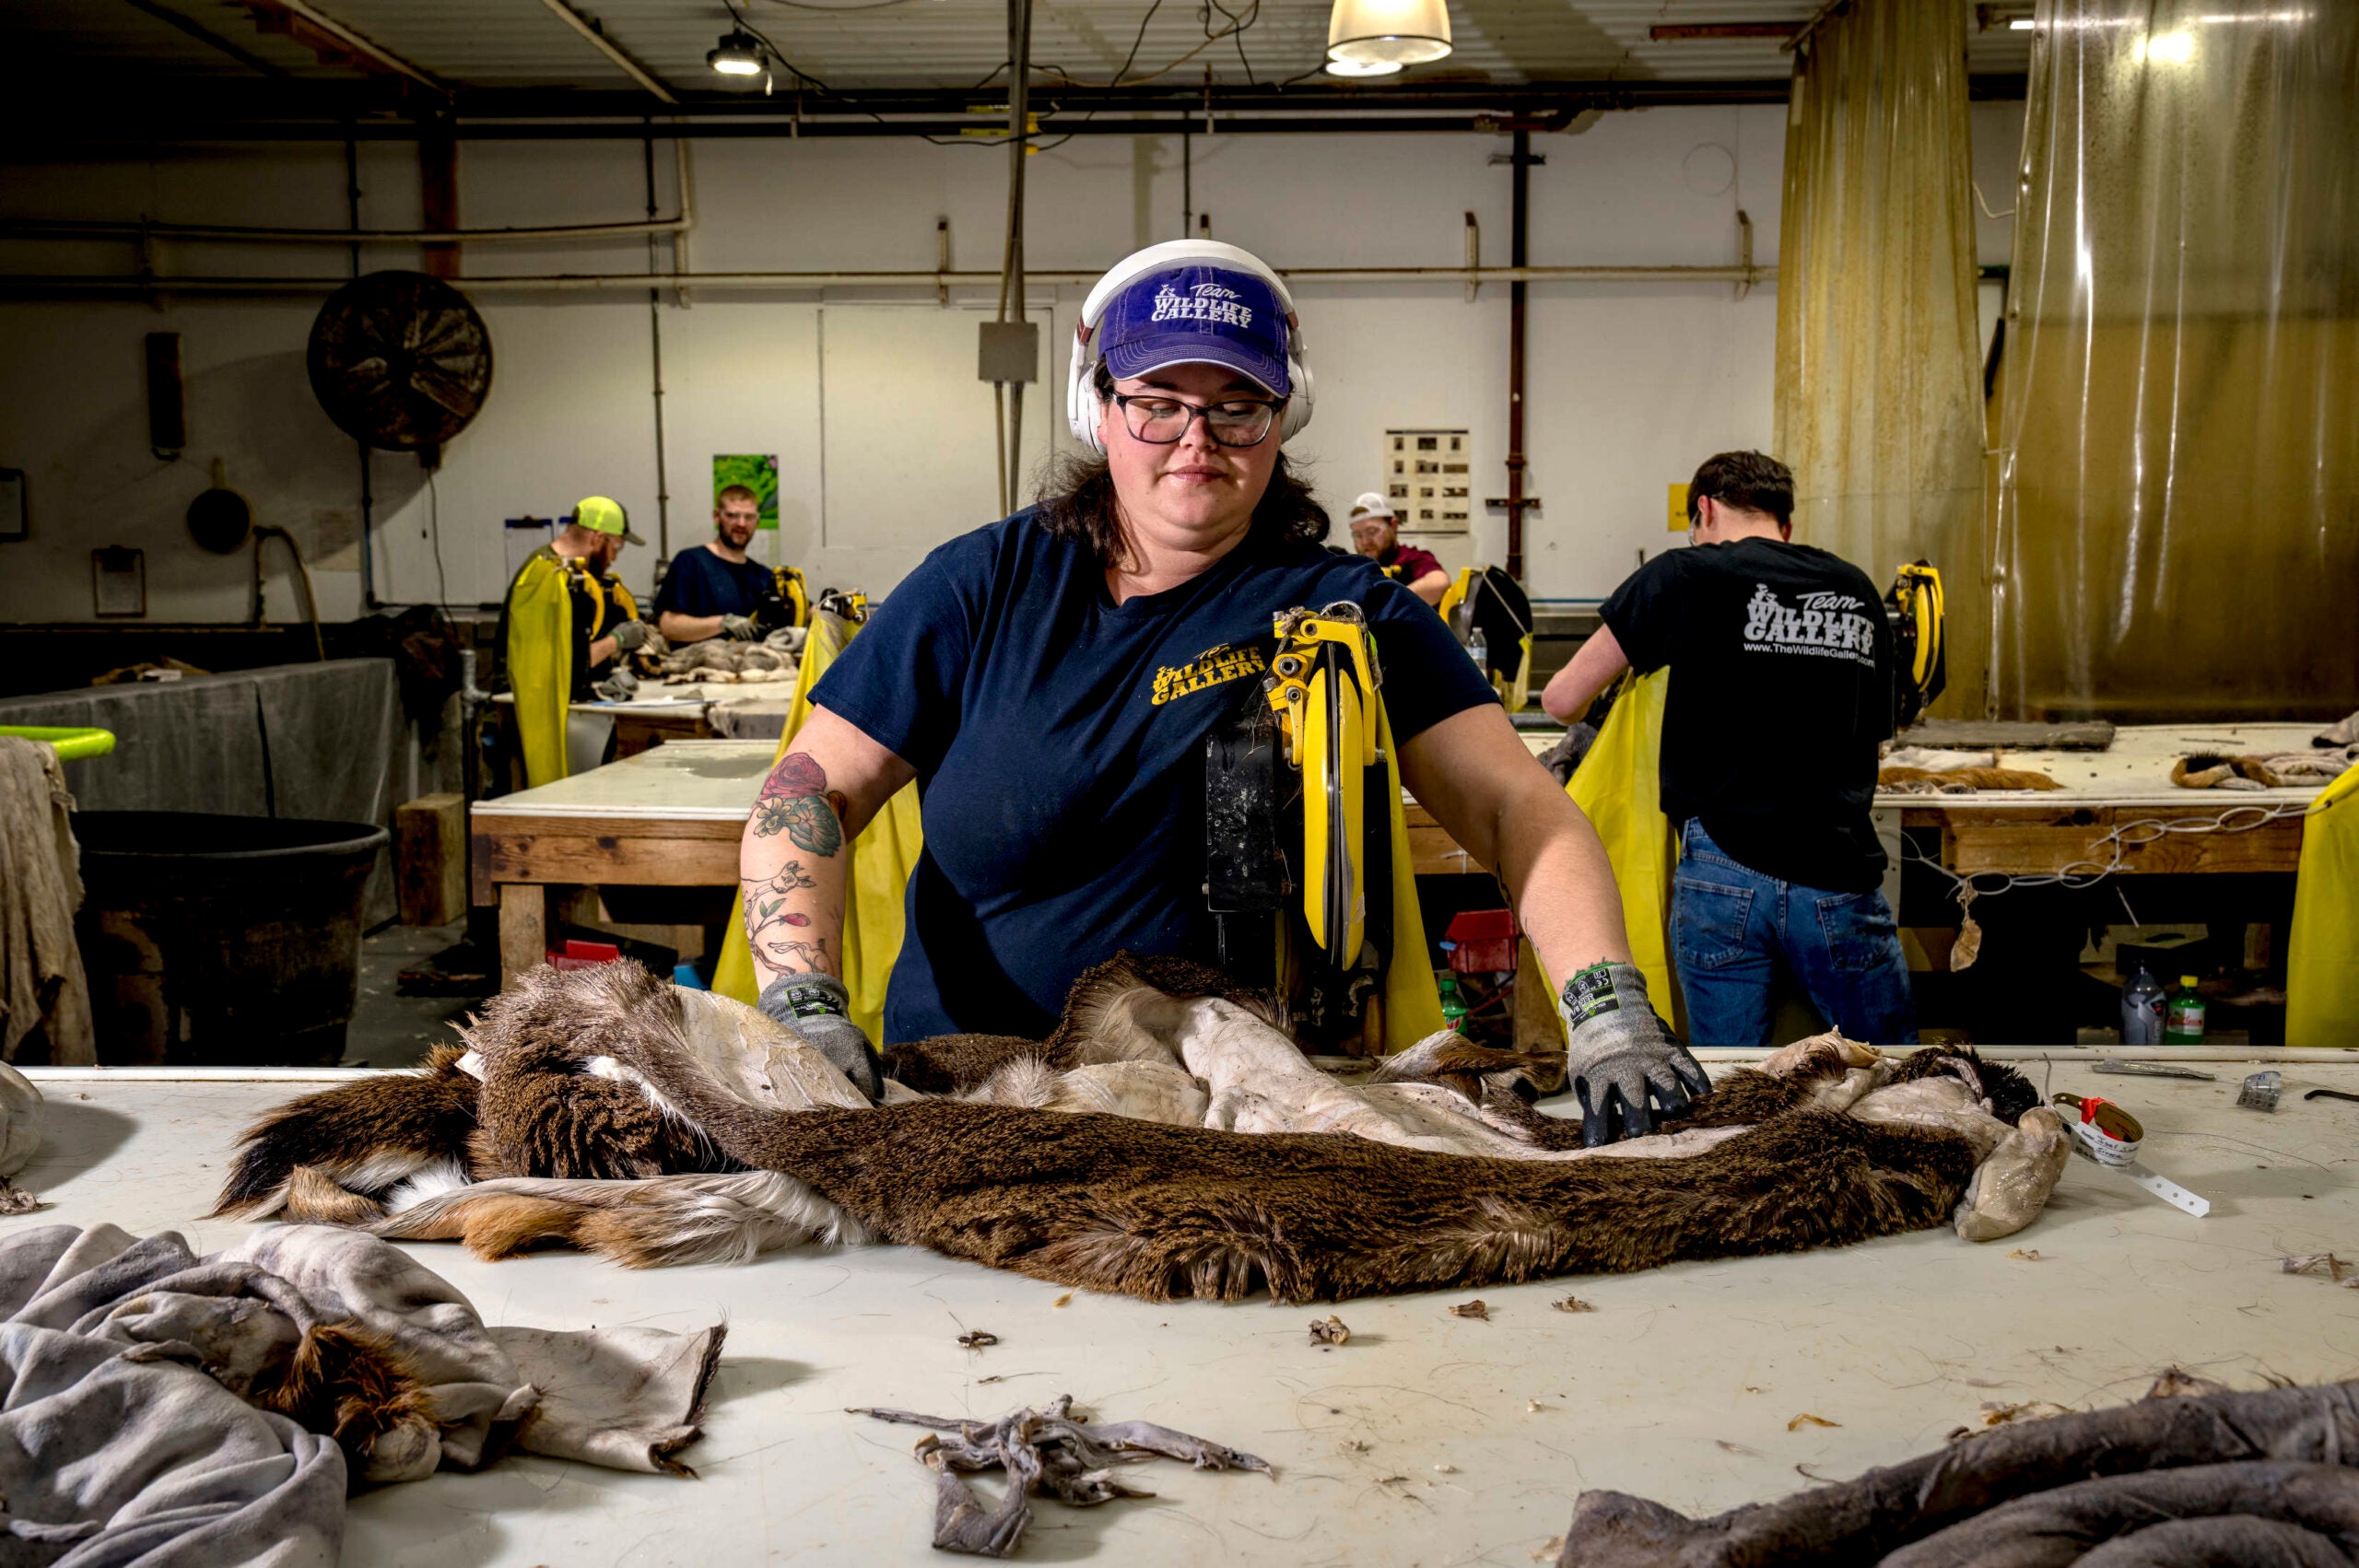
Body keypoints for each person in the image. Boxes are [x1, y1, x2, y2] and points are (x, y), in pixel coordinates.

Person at [735, 240, 1706, 1145]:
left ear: (1282, 420)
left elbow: (1513, 805)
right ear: (1100, 410)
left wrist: (1605, 1006)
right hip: (970, 1096)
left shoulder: (1344, 611)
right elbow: (807, 793)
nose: (1196, 438)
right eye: (1159, 401)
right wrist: (803, 1003)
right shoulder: (982, 586)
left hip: (1227, 1114)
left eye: (1237, 406)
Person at [1539, 451, 1914, 1048]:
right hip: (1837, 867)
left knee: (1728, 1078)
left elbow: (1562, 698)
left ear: (1705, 510)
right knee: (1891, 1073)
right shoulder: (1856, 588)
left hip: (1721, 871)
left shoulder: (1682, 574)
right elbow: (1876, 728)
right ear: (1785, 524)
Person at [499, 496, 651, 785]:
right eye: (615, 547)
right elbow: (553, 666)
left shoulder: (565, 571)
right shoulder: (545, 575)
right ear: (598, 538)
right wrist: (615, 641)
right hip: (527, 717)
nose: (615, 557)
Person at [655, 485, 782, 645]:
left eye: (749, 517)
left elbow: (803, 609)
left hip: (753, 665)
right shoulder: (691, 562)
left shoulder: (763, 576)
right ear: (717, 516)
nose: (741, 524)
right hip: (699, 665)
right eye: (733, 515)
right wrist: (722, 623)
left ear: (757, 521)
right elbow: (669, 626)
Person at [1346, 493, 1449, 606]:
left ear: (1393, 525)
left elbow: (1439, 583)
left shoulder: (1411, 558)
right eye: (1358, 535)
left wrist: (1385, 603)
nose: (1365, 542)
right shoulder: (1357, 568)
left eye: (1372, 532)